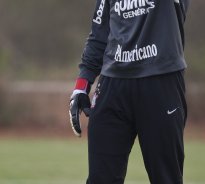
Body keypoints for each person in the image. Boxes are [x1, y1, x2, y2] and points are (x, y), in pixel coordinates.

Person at [69, 0, 190, 183]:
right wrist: (81, 86)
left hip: (161, 82)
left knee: (166, 178)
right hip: (112, 86)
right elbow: (99, 35)